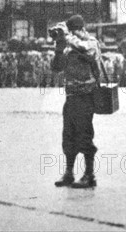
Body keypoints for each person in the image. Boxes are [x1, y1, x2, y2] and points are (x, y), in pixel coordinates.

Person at [51, 15, 101, 189]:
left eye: (74, 31)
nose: (72, 34)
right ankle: (69, 173)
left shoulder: (91, 42)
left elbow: (88, 52)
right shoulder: (69, 46)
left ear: (81, 29)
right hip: (71, 96)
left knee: (84, 136)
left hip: (86, 96)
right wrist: (59, 48)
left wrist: (68, 38)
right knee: (68, 137)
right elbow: (56, 68)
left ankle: (89, 174)